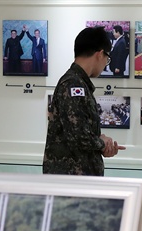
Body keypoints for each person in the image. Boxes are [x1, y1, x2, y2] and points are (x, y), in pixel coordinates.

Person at [42, 26, 125, 176]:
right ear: (100, 54)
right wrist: (102, 143)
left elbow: (79, 131)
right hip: (72, 182)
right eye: (108, 58)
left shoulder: (78, 83)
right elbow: (79, 135)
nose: (106, 62)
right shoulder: (73, 84)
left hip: (77, 179)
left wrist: (100, 143)